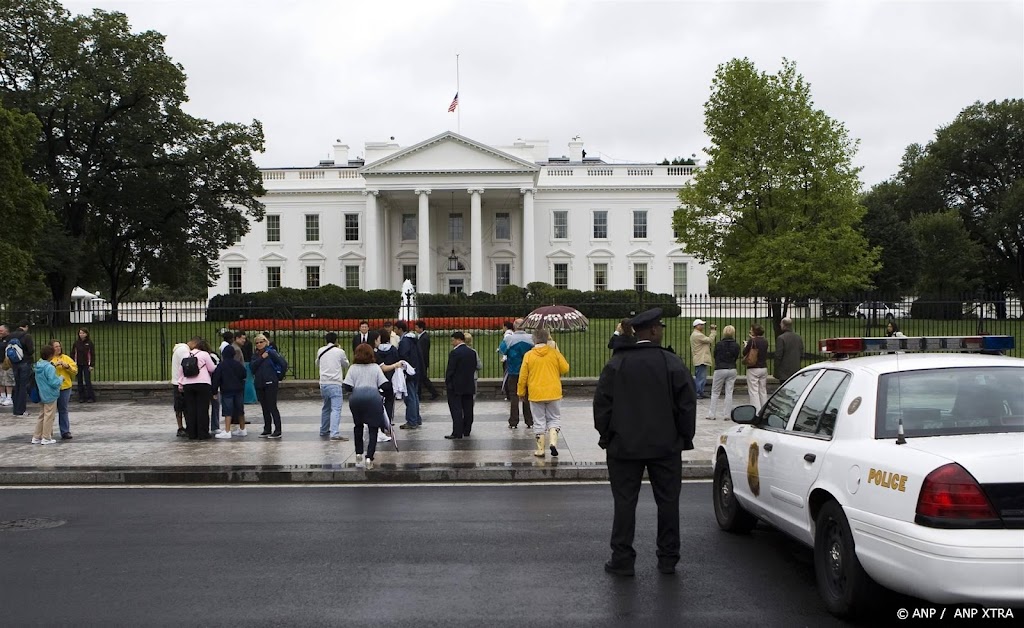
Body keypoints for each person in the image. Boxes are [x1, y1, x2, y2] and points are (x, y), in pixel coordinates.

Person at [593, 307, 697, 577]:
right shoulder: (671, 362)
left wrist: (607, 435)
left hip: (624, 446)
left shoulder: (617, 363)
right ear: (652, 331)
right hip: (665, 445)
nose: (661, 330)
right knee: (668, 502)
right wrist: (685, 437)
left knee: (625, 502)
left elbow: (601, 405)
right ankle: (668, 558)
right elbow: (687, 404)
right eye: (660, 327)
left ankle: (623, 558)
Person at [518, 328, 570, 457]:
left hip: (536, 393)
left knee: (539, 420)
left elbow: (523, 376)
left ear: (534, 339)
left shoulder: (529, 355)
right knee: (554, 419)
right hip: (553, 392)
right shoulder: (554, 353)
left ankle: (540, 449)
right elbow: (565, 368)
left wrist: (521, 392)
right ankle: (553, 442)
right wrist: (556, 351)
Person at [343, 343, 390, 470]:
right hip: (373, 398)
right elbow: (385, 385)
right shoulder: (375, 368)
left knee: (358, 426)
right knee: (373, 428)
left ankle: (358, 453)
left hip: (357, 398)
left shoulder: (353, 368)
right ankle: (369, 457)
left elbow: (347, 386)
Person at [178, 336, 217, 440]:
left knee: (191, 409)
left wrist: (180, 384)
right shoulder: (204, 354)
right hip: (203, 383)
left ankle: (192, 433)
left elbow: (180, 371)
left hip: (188, 384)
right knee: (202, 409)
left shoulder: (186, 355)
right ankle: (202, 433)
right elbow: (212, 368)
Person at [498, 319, 534, 429]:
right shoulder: (531, 338)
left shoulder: (509, 338)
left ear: (514, 326)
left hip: (513, 371)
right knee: (527, 396)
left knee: (514, 396)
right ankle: (529, 421)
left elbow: (502, 350)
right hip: (527, 371)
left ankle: (513, 421)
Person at [251, 333, 286, 438]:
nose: (259, 344)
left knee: (272, 406)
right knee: (264, 407)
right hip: (259, 383)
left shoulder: (271, 352)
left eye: (261, 342)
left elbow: (283, 363)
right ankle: (267, 429)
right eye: (257, 343)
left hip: (270, 383)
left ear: (265, 342)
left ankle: (278, 430)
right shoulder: (256, 355)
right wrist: (262, 358)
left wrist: (278, 376)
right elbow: (253, 367)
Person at [444, 331, 478, 439]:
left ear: (458, 340)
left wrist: (448, 382)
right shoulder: (472, 352)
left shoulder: (454, 353)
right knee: (468, 408)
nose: (452, 342)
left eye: (453, 340)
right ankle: (467, 430)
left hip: (456, 386)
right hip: (469, 384)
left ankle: (457, 432)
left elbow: (451, 370)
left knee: (456, 409)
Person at [317, 332, 350, 441]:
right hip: (335, 383)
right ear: (336, 340)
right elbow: (346, 364)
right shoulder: (340, 352)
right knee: (336, 409)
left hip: (323, 383)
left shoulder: (320, 350)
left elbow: (317, 363)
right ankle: (334, 433)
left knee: (326, 407)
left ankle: (324, 430)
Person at [212, 345, 247, 439]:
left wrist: (214, 391)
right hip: (238, 389)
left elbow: (216, 378)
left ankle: (227, 431)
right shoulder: (237, 364)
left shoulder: (222, 365)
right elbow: (244, 374)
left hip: (227, 390)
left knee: (228, 410)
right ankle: (242, 429)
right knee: (240, 409)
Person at [31, 344, 63, 445]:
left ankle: (36, 437)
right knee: (49, 416)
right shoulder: (49, 367)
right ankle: (46, 437)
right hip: (50, 394)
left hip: (41, 393)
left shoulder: (38, 365)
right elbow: (53, 382)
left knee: (42, 416)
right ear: (51, 355)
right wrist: (61, 378)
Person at [708, 325, 740, 421]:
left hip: (720, 368)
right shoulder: (736, 345)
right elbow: (736, 356)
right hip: (732, 368)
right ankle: (727, 414)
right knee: (729, 392)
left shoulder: (719, 344)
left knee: (715, 392)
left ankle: (712, 414)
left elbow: (715, 354)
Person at [395, 320, 424, 429]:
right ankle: (416, 418)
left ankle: (412, 421)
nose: (395, 331)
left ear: (400, 329)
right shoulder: (413, 339)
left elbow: (403, 356)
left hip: (408, 371)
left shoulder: (405, 341)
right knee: (414, 395)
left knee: (410, 396)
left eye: (396, 329)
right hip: (416, 370)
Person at [373, 329, 404, 427]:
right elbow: (397, 361)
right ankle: (388, 421)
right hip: (390, 378)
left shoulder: (376, 351)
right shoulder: (393, 349)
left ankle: (380, 422)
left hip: (379, 379)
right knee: (390, 401)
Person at [49, 339, 78, 439]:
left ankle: (65, 431)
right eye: (56, 346)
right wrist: (54, 365)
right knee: (50, 411)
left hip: (65, 387)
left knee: (63, 409)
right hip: (52, 388)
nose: (58, 348)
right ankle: (48, 432)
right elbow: (42, 368)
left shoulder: (66, 358)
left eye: (59, 346)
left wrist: (67, 366)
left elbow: (75, 370)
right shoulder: (49, 359)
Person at [8, 320, 35, 417]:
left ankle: (15, 409)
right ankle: (21, 410)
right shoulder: (27, 336)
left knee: (17, 385)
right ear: (26, 326)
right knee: (23, 386)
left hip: (14, 363)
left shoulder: (10, 335)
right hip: (25, 362)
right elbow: (31, 350)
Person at [742, 324, 770, 411]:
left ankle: (756, 410)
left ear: (754, 331)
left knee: (753, 390)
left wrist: (747, 344)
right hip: (763, 367)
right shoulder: (765, 341)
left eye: (751, 330)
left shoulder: (752, 341)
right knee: (762, 390)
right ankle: (763, 409)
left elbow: (745, 352)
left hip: (754, 367)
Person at [689, 319, 716, 399]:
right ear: (697, 326)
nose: (703, 326)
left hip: (700, 358)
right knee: (701, 377)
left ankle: (700, 391)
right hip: (701, 358)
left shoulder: (697, 334)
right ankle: (698, 392)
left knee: (701, 376)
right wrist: (713, 331)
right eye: (701, 325)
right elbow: (709, 340)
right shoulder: (697, 335)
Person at [415, 320, 440, 401]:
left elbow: (423, 352)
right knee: (422, 378)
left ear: (421, 328)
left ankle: (433, 393)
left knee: (422, 378)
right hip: (422, 361)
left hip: (422, 362)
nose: (415, 329)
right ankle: (421, 394)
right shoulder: (422, 336)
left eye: (416, 327)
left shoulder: (424, 338)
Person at [170, 340, 191, 437]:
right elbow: (187, 364)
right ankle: (182, 427)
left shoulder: (179, 349)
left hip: (177, 381)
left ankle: (182, 426)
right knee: (182, 406)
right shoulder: (183, 350)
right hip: (180, 382)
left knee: (180, 406)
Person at [774, 317, 804, 383]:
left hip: (784, 372)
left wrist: (776, 370)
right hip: (795, 370)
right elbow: (801, 354)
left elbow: (778, 355)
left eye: (781, 324)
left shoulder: (781, 338)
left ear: (784, 325)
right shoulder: (798, 337)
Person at [71, 327, 96, 403]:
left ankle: (90, 397)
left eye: (83, 333)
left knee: (87, 380)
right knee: (79, 381)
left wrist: (91, 365)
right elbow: (73, 353)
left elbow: (92, 354)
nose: (81, 335)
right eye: (80, 333)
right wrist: (73, 363)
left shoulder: (89, 343)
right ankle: (81, 397)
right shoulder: (76, 343)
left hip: (86, 364)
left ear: (86, 334)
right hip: (78, 364)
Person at [235, 331, 257, 405]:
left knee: (247, 381)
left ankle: (248, 398)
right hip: (248, 362)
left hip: (245, 362)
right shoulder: (249, 344)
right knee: (249, 381)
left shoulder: (239, 347)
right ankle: (251, 398)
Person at [498, 320, 514, 400]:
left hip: (507, 359)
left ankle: (509, 395)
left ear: (505, 327)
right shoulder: (512, 334)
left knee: (507, 376)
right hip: (511, 358)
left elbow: (507, 347)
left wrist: (504, 357)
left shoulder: (507, 335)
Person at [0, 324, 14, 406]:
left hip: (7, 363)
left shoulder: (10, 339)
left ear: (6, 331)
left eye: (1, 330)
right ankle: (2, 396)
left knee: (8, 380)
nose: (0, 332)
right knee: (0, 380)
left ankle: (9, 397)